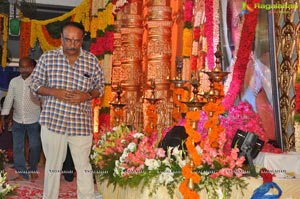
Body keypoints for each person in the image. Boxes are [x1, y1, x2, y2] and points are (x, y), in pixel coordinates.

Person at [30, 21, 105, 199]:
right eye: (68, 40)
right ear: (61, 39)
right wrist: (53, 91)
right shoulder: (48, 58)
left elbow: (100, 87)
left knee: (84, 166)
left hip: (80, 124)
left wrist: (86, 95)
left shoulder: (91, 60)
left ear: (82, 40)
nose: (72, 45)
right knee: (53, 166)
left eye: (76, 41)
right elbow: (34, 84)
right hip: (53, 122)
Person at [0, 57, 41, 180]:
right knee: (18, 147)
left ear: (33, 68)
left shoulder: (38, 82)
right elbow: (8, 100)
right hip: (17, 120)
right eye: (22, 67)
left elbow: (43, 100)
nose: (24, 69)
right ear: (19, 68)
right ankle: (22, 173)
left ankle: (33, 168)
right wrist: (2, 118)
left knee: (34, 146)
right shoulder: (14, 82)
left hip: (34, 120)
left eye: (27, 67)